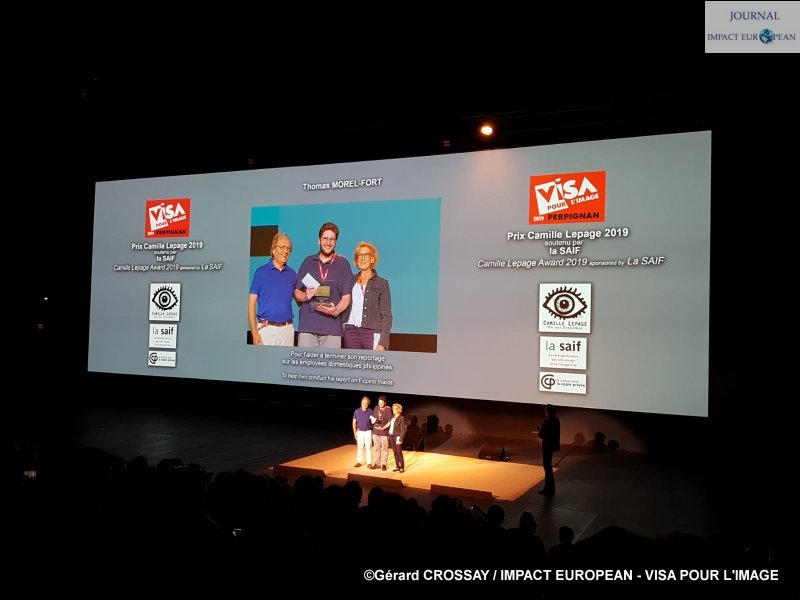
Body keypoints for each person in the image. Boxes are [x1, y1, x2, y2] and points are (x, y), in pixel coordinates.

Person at [293, 222, 353, 348]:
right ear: (319, 240)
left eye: (332, 239)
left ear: (336, 242)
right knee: (304, 361)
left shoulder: (343, 264)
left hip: (332, 330)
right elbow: (296, 292)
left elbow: (346, 297)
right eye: (325, 238)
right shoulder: (308, 262)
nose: (328, 242)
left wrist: (336, 311)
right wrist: (305, 296)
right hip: (307, 328)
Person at [341, 241, 392, 351]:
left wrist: (383, 342)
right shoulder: (349, 280)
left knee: (373, 362)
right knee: (352, 362)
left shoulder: (382, 283)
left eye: (366, 254)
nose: (362, 258)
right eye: (359, 255)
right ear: (356, 260)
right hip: (351, 332)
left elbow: (387, 316)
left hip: (372, 332)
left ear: (372, 259)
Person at [248, 232, 296, 346]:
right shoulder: (260, 273)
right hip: (266, 330)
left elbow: (299, 299)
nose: (286, 251)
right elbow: (251, 304)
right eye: (282, 247)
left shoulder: (293, 274)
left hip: (287, 330)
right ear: (273, 250)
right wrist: (254, 333)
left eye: (288, 248)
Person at [536, 403, 561, 496]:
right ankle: (550, 487)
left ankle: (549, 488)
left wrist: (539, 432)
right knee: (548, 466)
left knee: (547, 466)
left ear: (548, 411)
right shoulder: (556, 420)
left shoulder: (547, 421)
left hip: (547, 445)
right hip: (552, 445)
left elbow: (543, 435)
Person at [369, 394, 392, 470]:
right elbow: (373, 418)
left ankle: (384, 464)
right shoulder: (376, 408)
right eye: (379, 402)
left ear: (385, 403)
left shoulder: (388, 410)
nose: (380, 404)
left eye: (382, 403)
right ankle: (377, 463)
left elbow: (389, 422)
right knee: (376, 448)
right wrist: (372, 421)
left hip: (384, 433)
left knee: (384, 449)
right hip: (375, 432)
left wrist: (383, 428)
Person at [351, 395, 373, 468]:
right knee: (359, 447)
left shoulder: (371, 411)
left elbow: (373, 421)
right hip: (359, 432)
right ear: (361, 403)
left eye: (366, 403)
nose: (365, 405)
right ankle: (359, 462)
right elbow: (354, 422)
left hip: (368, 432)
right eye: (363, 403)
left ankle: (369, 462)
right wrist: (355, 432)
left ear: (368, 404)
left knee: (368, 447)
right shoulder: (357, 411)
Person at [388, 402, 407, 473]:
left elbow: (403, 430)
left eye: (395, 409)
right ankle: (397, 466)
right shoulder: (392, 417)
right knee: (395, 452)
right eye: (393, 408)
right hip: (391, 436)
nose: (393, 410)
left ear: (399, 410)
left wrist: (400, 439)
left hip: (397, 436)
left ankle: (402, 467)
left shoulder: (401, 418)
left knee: (399, 452)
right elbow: (390, 426)